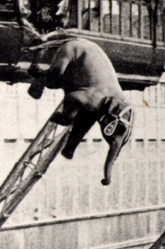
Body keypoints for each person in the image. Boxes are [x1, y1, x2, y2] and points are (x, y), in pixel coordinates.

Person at [17, 34, 134, 186]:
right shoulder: (98, 99)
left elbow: (85, 122)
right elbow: (74, 97)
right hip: (75, 51)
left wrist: (71, 146)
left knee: (86, 116)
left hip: (80, 68)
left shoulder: (105, 102)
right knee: (55, 76)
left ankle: (69, 148)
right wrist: (66, 118)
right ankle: (38, 79)